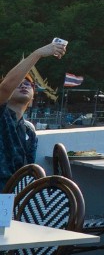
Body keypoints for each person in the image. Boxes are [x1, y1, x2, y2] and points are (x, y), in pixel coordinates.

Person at [1, 40, 63, 179]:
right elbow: (5, 87)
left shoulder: (29, 130)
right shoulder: (2, 115)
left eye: (28, 84)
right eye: (18, 84)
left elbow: (29, 170)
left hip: (19, 189)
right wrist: (37, 54)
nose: (23, 86)